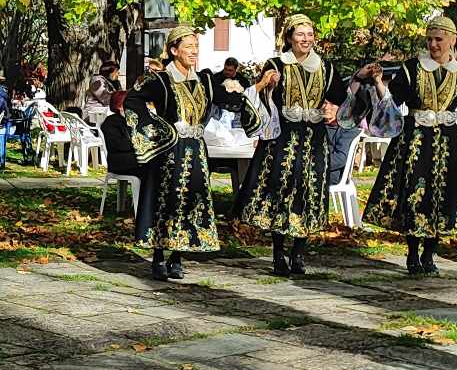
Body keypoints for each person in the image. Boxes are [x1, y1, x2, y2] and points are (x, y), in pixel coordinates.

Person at [361, 13, 457, 276]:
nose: (433, 45)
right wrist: (378, 83)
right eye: (430, 39)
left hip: (448, 143)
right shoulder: (411, 69)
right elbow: (393, 103)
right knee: (414, 194)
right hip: (414, 140)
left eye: (439, 39)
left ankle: (430, 253)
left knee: (442, 196)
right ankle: (413, 253)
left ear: (452, 40)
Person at [125, 26, 261, 281]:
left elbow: (226, 99)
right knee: (164, 201)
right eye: (188, 47)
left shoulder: (206, 80)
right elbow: (133, 101)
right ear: (174, 50)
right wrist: (159, 130)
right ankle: (157, 255)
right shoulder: (161, 81)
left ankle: (177, 256)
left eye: (196, 47)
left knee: (190, 202)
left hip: (196, 150)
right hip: (168, 152)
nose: (193, 52)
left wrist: (244, 105)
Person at [235, 15, 347, 277]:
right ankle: (277, 252)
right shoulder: (276, 65)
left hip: (314, 138)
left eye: (310, 34)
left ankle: (298, 252)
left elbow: (341, 98)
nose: (306, 39)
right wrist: (265, 86)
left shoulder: (326, 68)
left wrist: (334, 107)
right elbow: (259, 98)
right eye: (300, 34)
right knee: (281, 190)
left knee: (308, 190)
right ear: (289, 38)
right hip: (283, 137)